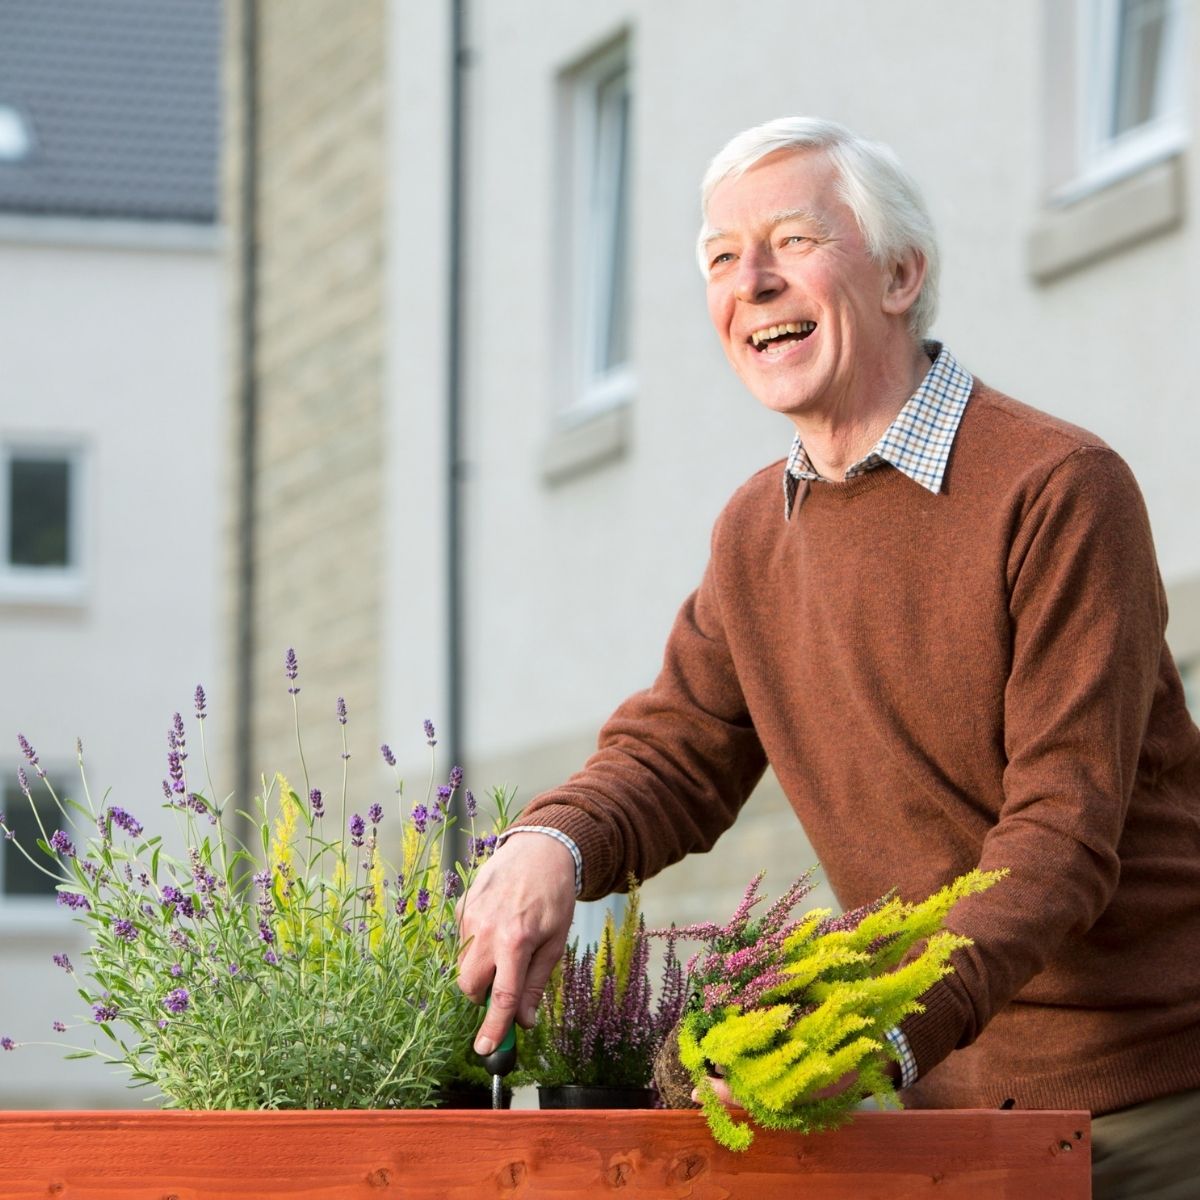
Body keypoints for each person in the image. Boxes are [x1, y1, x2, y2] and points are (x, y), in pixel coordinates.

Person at [456, 117, 1200, 1198]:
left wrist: (871, 1032)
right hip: (944, 1112)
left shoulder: (1059, 489)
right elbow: (676, 754)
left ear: (903, 273)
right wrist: (549, 848)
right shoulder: (758, 531)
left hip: (1143, 1100)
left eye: (792, 241)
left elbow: (1059, 839)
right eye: (720, 257)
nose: (750, 281)